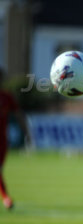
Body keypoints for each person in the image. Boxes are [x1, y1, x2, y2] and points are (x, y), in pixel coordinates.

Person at [0, 68, 30, 210]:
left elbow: (18, 115)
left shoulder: (7, 97)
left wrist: (26, 133)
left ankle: (6, 197)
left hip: (2, 140)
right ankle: (6, 197)